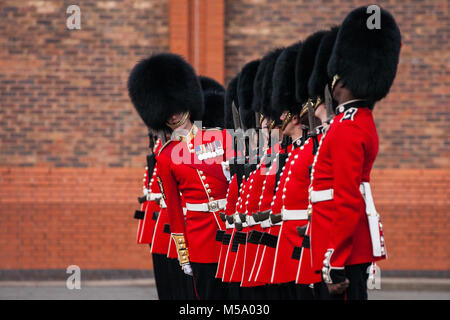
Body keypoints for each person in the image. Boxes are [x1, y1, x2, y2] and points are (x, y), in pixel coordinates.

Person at [309, 6, 401, 300]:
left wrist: (335, 262)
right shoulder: (354, 122)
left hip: (341, 254)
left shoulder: (348, 127)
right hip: (338, 246)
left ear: (344, 81)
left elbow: (346, 199)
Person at [128, 53, 230, 300]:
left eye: (176, 108)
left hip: (228, 232)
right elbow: (174, 209)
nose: (173, 115)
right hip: (199, 238)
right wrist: (183, 254)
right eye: (167, 112)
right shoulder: (165, 156)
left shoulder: (221, 138)